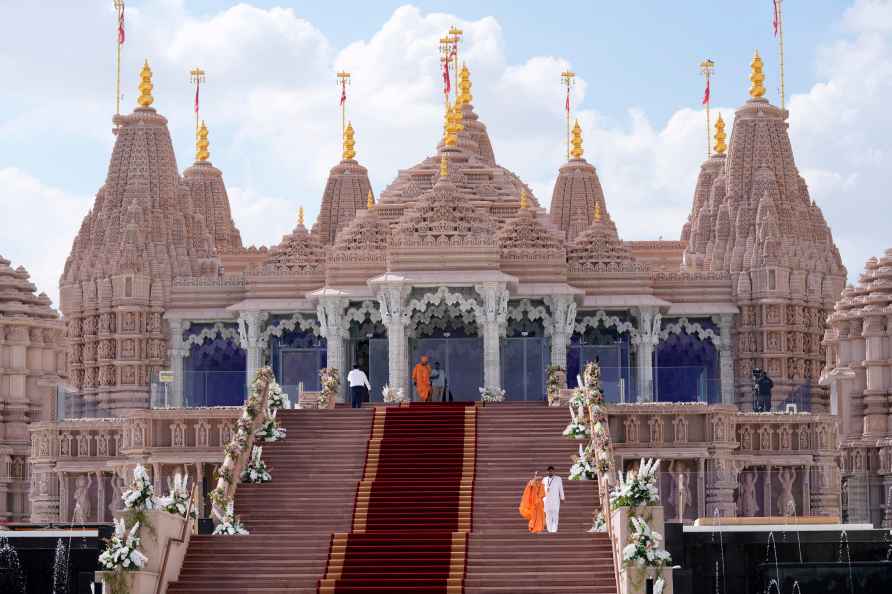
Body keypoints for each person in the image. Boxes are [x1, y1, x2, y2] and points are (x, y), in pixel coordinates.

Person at [542, 465, 565, 533]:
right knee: (548, 516)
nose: (550, 472)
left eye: (551, 471)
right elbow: (541, 490)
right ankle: (549, 529)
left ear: (553, 471)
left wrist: (562, 497)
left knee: (555, 515)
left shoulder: (558, 479)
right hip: (546, 500)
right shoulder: (544, 479)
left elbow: (561, 488)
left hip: (555, 500)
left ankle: (554, 529)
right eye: (549, 471)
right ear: (547, 471)